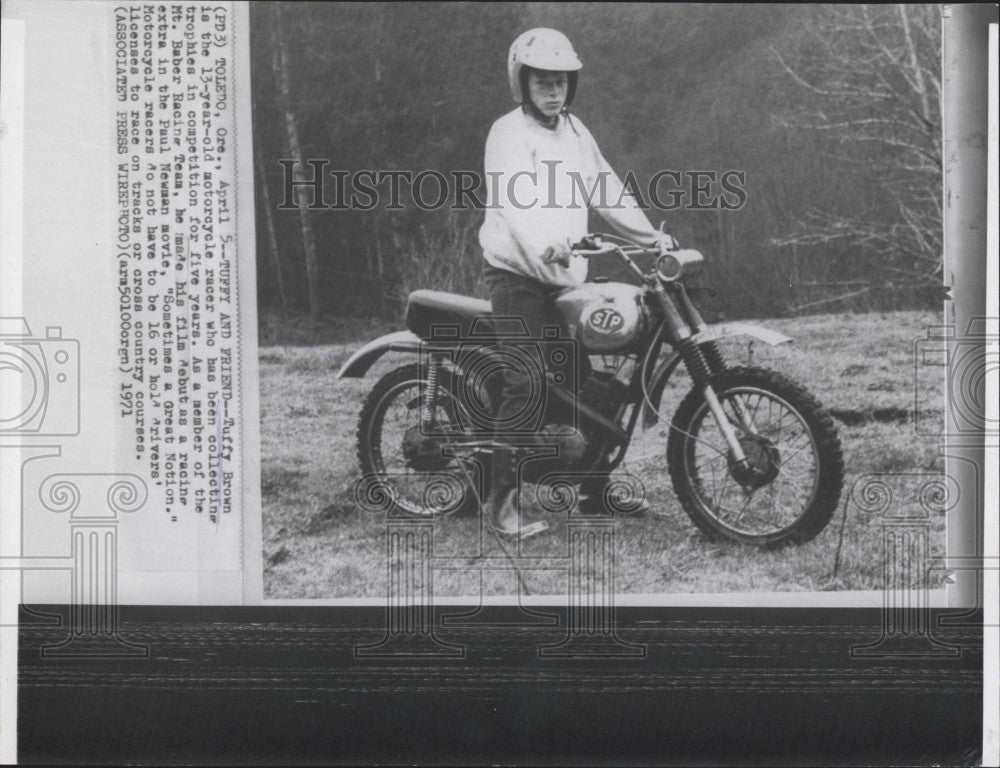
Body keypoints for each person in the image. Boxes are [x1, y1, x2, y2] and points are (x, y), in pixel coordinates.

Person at [479, 28, 677, 538]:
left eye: (562, 81)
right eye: (543, 81)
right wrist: (553, 242)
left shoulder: (574, 131)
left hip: (564, 282)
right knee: (527, 381)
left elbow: (605, 188)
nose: (554, 90)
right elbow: (514, 205)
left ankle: (591, 483)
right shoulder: (507, 133)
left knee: (585, 388)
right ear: (522, 83)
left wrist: (652, 237)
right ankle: (501, 501)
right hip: (517, 278)